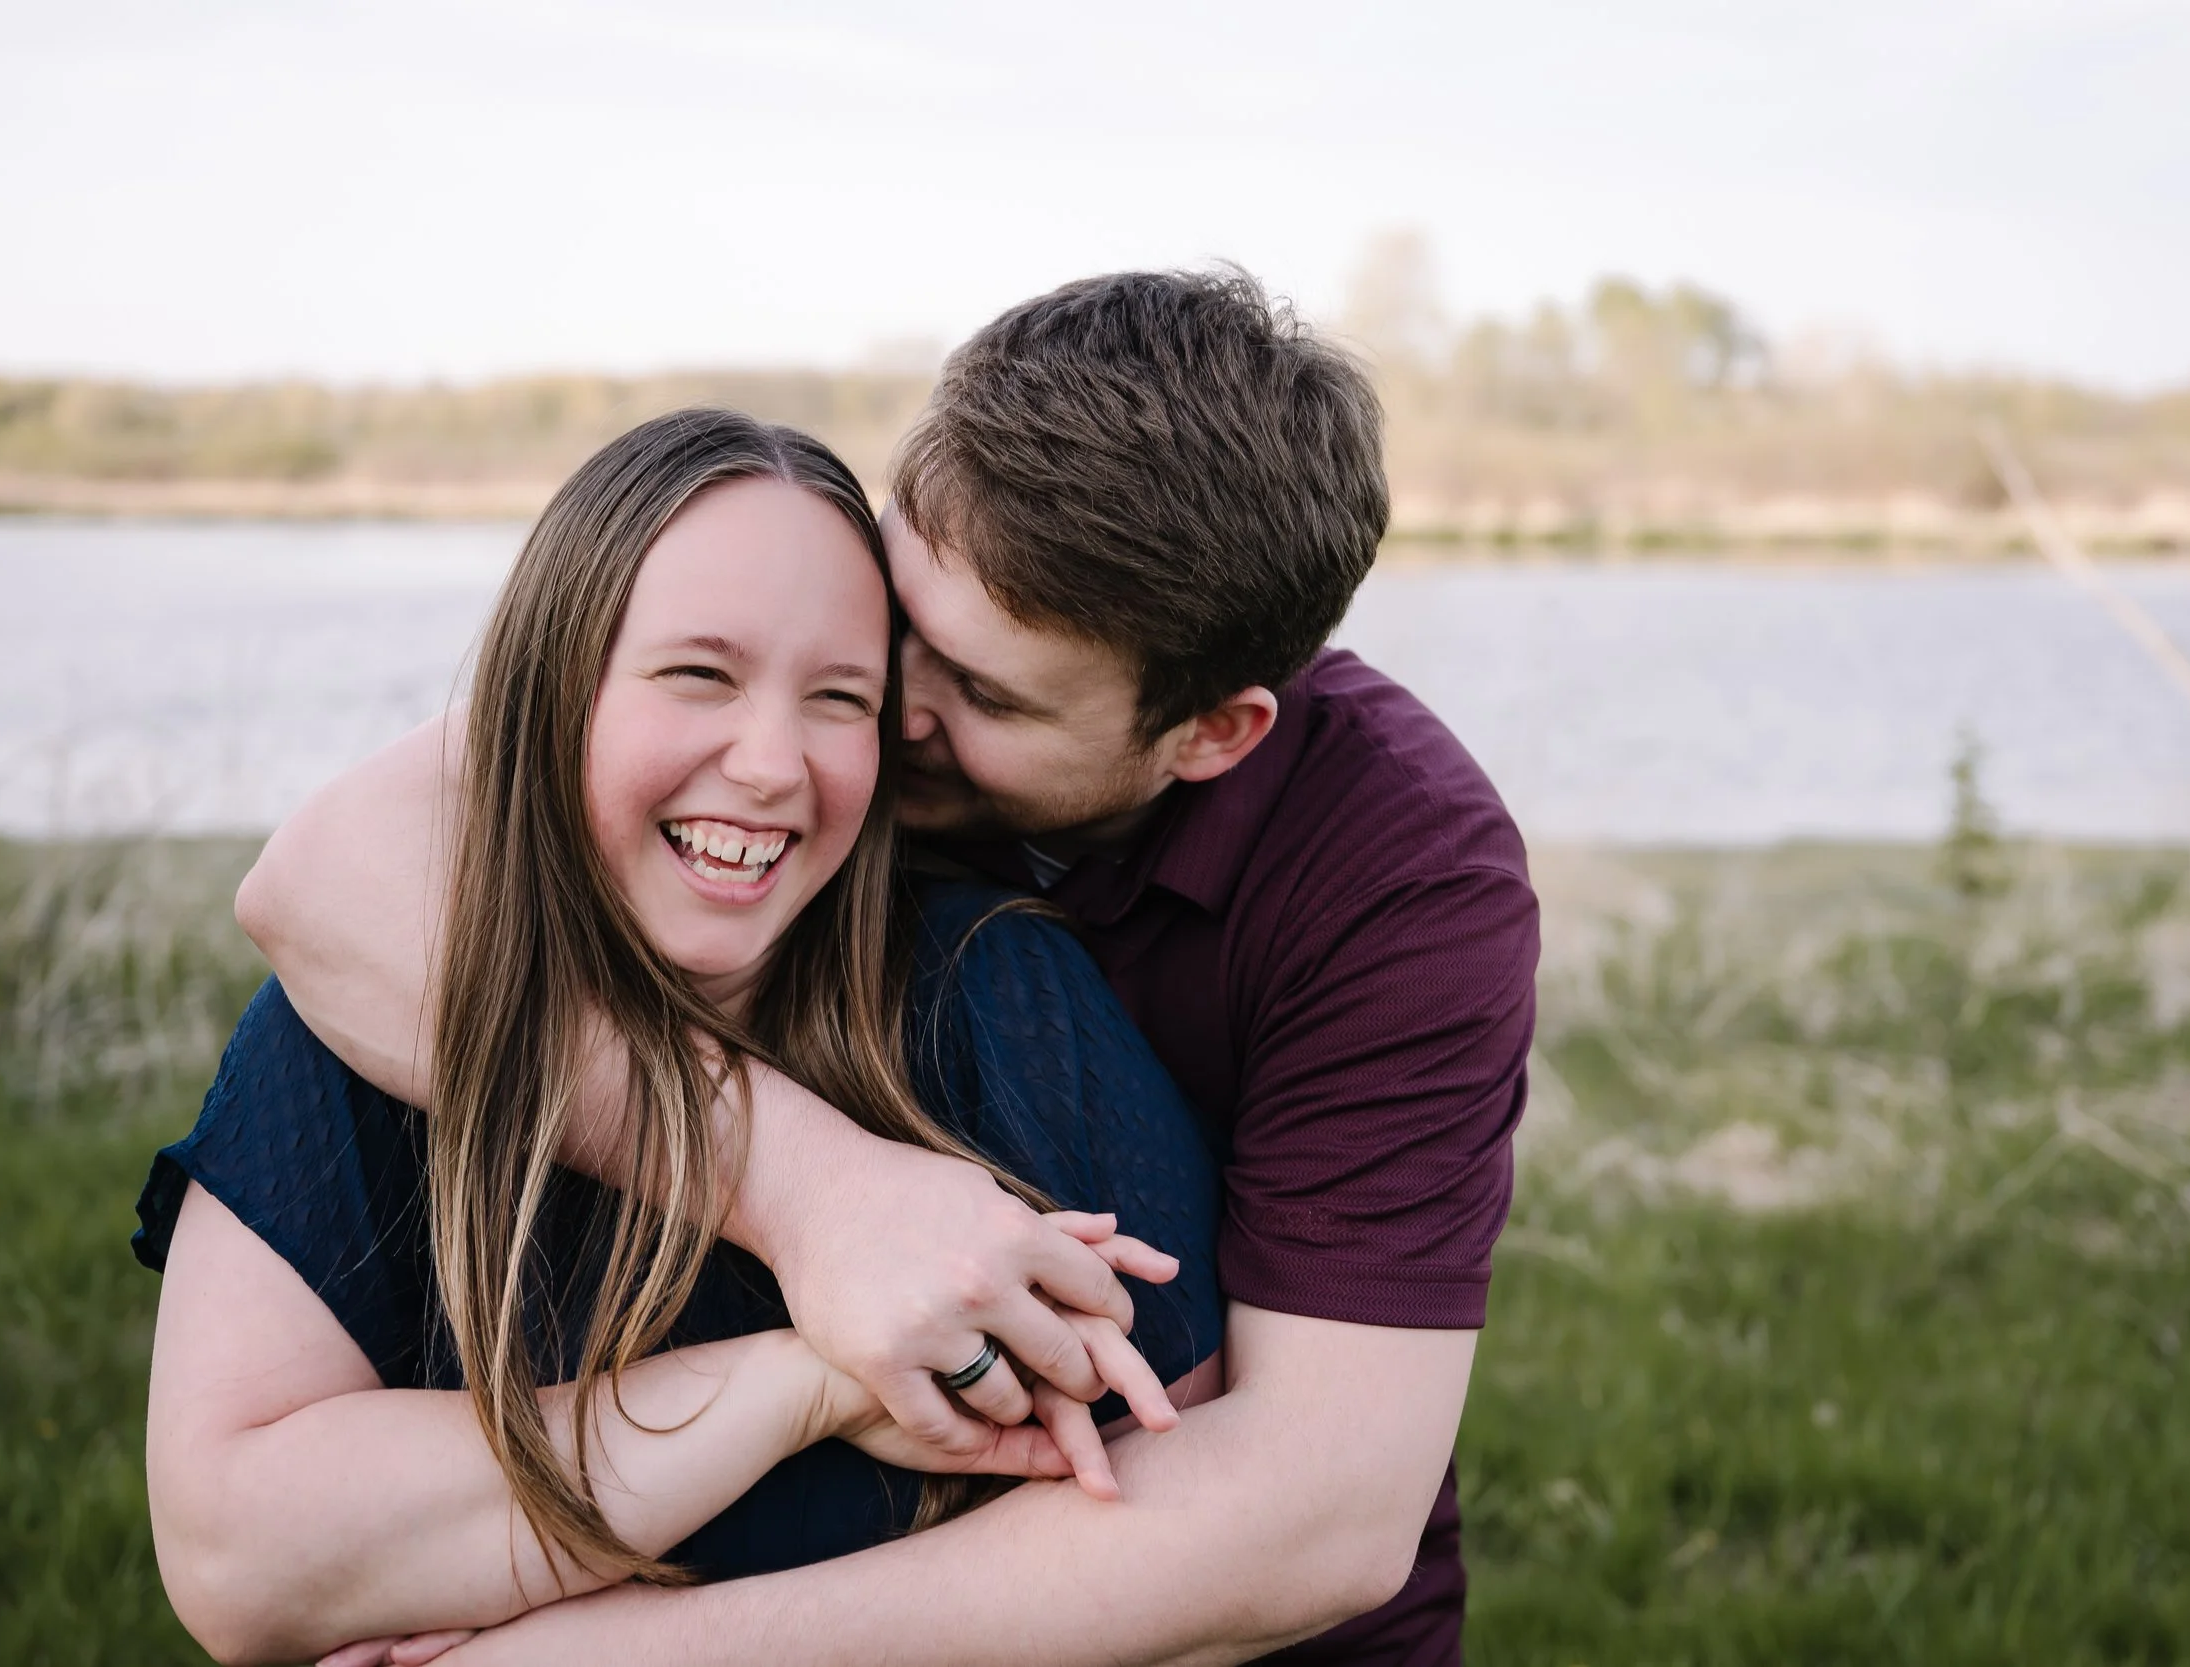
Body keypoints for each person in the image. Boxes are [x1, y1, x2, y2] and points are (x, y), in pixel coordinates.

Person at [245, 268, 1541, 1664]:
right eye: (903, 624)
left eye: (983, 693)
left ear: (1210, 735)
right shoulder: (806, 689)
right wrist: (812, 1190)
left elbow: (1312, 1513)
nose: (877, 707)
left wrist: (607, 1654)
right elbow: (323, 880)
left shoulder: (1400, 876)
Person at [135, 408, 1223, 1665]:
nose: (769, 764)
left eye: (838, 698)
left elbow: (1169, 1539)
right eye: (697, 674)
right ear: (551, 688)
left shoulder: (1002, 1002)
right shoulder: (366, 1026)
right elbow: (242, 1561)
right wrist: (811, 1377)